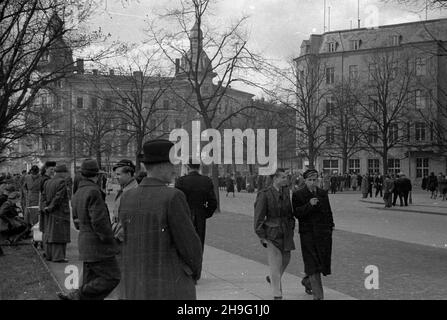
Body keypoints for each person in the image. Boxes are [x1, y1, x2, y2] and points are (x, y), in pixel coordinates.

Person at [118, 139, 202, 300]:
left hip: (135, 285)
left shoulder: (127, 197)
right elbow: (190, 245)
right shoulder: (173, 196)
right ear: (163, 165)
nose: (175, 170)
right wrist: (194, 273)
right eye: (173, 165)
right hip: (168, 284)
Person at [58, 159, 120, 300]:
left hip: (85, 243)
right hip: (98, 246)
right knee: (112, 277)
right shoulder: (94, 192)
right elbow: (100, 222)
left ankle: (77, 295)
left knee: (90, 283)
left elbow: (76, 223)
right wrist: (110, 240)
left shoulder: (77, 193)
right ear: (97, 176)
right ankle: (76, 295)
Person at [292, 169, 335, 300]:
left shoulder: (322, 193)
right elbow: (297, 213)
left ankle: (307, 280)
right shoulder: (298, 194)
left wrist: (331, 225)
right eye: (310, 180)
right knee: (312, 263)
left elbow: (328, 211)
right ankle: (318, 296)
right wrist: (309, 205)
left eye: (314, 180)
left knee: (321, 262)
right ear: (304, 181)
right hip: (308, 234)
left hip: (323, 233)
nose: (312, 183)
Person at [254, 168, 295, 300]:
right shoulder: (264, 194)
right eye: (283, 177)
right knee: (275, 263)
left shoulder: (286, 192)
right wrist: (261, 235)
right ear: (275, 178)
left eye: (286, 177)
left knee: (286, 259)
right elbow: (259, 216)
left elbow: (289, 212)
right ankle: (277, 294)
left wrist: (292, 224)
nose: (286, 179)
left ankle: (272, 278)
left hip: (286, 231)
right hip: (272, 233)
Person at [175, 159, 217, 281]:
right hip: (200, 216)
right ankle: (196, 272)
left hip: (184, 215)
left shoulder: (181, 181)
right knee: (199, 244)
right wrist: (204, 214)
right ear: (199, 167)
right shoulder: (206, 181)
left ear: (188, 167)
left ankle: (186, 271)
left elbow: (177, 201)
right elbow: (213, 202)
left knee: (184, 243)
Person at [110, 159, 138, 299]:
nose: (116, 177)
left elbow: (129, 220)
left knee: (123, 273)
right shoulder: (125, 189)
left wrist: (117, 237)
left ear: (130, 174)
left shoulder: (132, 191)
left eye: (119, 174)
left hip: (123, 239)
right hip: (119, 236)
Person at [41, 165, 71, 262]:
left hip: (49, 212)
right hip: (59, 212)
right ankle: (58, 257)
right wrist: (50, 208)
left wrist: (45, 207)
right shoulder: (61, 182)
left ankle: (49, 255)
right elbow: (58, 197)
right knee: (59, 235)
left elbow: (43, 196)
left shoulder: (47, 182)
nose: (67, 174)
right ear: (62, 173)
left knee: (50, 233)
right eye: (66, 172)